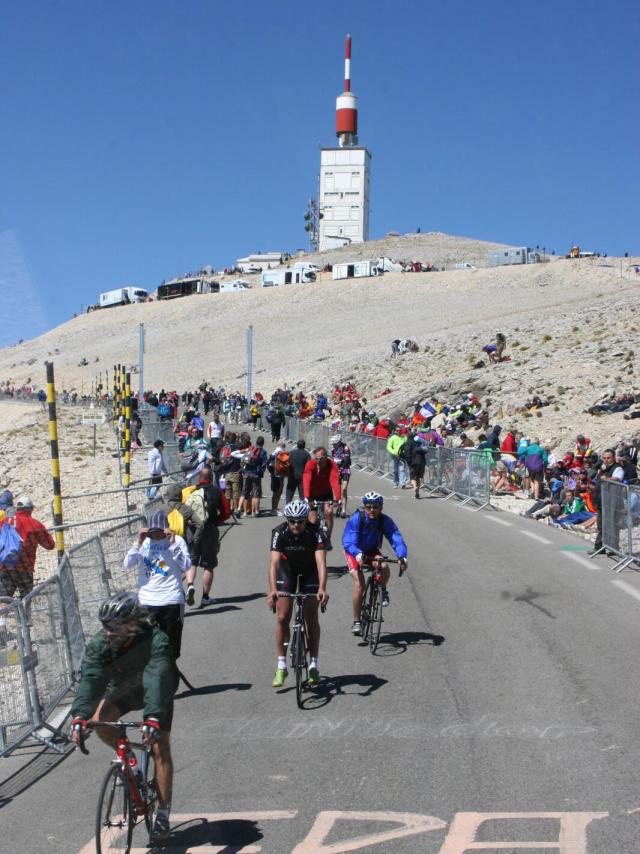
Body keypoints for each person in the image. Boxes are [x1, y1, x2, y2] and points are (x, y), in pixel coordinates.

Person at [70, 592, 178, 844]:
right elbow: (91, 679)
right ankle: (128, 760)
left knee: (159, 744)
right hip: (124, 687)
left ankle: (162, 812)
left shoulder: (156, 641)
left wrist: (152, 718)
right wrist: (79, 715)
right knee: (100, 719)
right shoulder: (101, 643)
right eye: (105, 627)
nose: (108, 633)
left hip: (157, 688)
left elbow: (156, 677)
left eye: (114, 627)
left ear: (132, 624)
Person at [267, 500, 329, 687]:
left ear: (305, 520)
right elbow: (274, 564)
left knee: (311, 618)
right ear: (287, 520)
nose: (296, 525)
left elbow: (320, 563)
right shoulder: (279, 532)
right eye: (292, 521)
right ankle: (281, 666)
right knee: (282, 616)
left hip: (310, 571)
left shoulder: (316, 532)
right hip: (287, 571)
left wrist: (322, 589)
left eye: (300, 521)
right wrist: (272, 591)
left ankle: (314, 665)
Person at [123, 511, 191, 658]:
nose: (157, 536)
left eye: (160, 532)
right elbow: (128, 564)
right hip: (148, 602)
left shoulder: (177, 541)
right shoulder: (144, 543)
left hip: (171, 600)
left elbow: (186, 565)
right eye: (154, 533)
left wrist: (172, 545)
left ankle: (169, 676)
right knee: (147, 649)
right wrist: (138, 543)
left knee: (171, 650)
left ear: (167, 529)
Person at [342, 492, 408, 635]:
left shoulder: (384, 521)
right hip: (353, 551)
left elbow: (396, 538)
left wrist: (402, 556)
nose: (372, 510)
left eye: (376, 507)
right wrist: (358, 554)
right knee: (360, 585)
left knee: (384, 566)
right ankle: (357, 621)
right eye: (368, 507)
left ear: (381, 507)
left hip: (371, 550)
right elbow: (348, 541)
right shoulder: (356, 519)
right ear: (364, 507)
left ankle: (383, 590)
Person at [184, 467, 230, 607]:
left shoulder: (191, 491)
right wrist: (217, 520)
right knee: (208, 565)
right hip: (209, 529)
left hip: (193, 529)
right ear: (211, 478)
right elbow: (226, 511)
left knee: (192, 561)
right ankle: (205, 596)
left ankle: (190, 585)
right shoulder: (216, 491)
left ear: (199, 478)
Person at [0, 496, 55, 598]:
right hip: (26, 568)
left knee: (3, 599)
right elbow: (50, 545)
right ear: (29, 509)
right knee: (26, 600)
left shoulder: (5, 521)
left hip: (7, 567)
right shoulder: (35, 524)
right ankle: (25, 614)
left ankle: (3, 614)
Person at [302, 447, 341, 546]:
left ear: (326, 457)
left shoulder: (332, 464)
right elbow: (306, 479)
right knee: (313, 519)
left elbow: (335, 481)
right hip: (312, 494)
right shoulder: (311, 464)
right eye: (316, 458)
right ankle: (310, 538)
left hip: (326, 493)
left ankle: (328, 537)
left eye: (321, 458)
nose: (318, 460)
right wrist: (307, 497)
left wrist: (338, 498)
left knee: (329, 511)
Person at [237, 435, 268, 518]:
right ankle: (255, 512)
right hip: (255, 474)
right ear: (263, 443)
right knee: (255, 494)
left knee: (244, 493)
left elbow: (243, 459)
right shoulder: (263, 452)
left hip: (246, 473)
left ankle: (241, 510)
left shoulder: (250, 449)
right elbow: (264, 464)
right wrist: (261, 472)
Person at [330, 434, 352, 516]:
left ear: (339, 442)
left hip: (345, 469)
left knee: (344, 489)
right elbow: (332, 460)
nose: (334, 445)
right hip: (337, 469)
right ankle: (338, 503)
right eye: (333, 444)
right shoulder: (333, 449)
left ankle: (343, 510)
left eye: (335, 444)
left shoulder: (345, 447)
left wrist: (341, 468)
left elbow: (346, 459)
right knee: (337, 489)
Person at [268, 440, 289, 515]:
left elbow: (269, 465)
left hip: (274, 474)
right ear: (283, 446)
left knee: (275, 492)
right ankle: (274, 510)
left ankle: (274, 509)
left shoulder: (273, 453)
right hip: (279, 475)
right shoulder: (281, 453)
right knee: (278, 492)